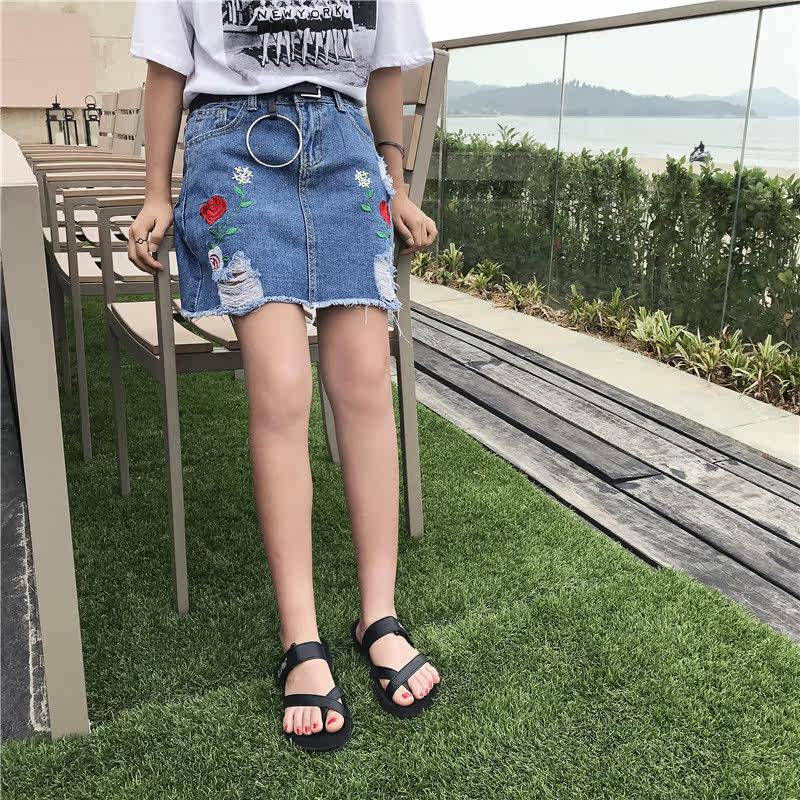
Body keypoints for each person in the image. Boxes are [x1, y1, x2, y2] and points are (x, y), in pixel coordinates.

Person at [129, 0, 440, 755]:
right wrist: (156, 192)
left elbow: (384, 69)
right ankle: (300, 638)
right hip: (231, 148)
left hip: (346, 150)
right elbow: (167, 71)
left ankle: (379, 614)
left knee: (365, 382)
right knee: (279, 385)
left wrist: (397, 184)